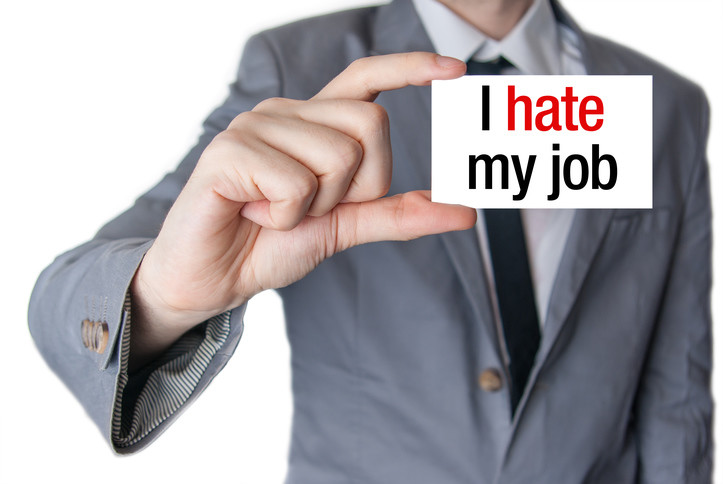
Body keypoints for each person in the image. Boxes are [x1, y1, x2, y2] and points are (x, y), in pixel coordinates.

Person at [28, 0, 712, 482]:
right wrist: (164, 296)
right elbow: (67, 293)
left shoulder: (666, 107)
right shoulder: (299, 66)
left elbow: (675, 385)